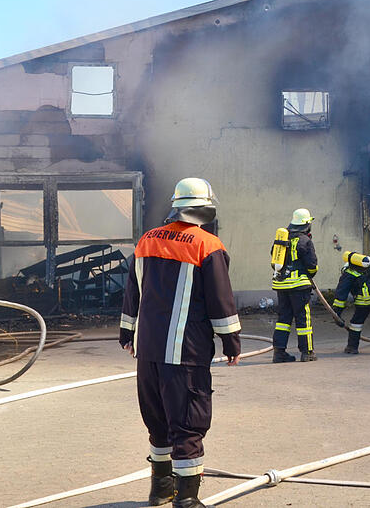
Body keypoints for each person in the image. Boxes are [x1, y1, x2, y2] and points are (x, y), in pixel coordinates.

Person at [120, 178, 241, 507]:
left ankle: (161, 489)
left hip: (147, 352)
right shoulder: (207, 245)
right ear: (206, 207)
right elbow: (220, 299)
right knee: (187, 423)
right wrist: (231, 341)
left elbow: (133, 292)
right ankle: (187, 500)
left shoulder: (146, 240)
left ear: (176, 205)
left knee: (157, 422)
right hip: (185, 353)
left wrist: (127, 333)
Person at [270, 208, 319, 363]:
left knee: (283, 319)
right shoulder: (305, 241)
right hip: (299, 287)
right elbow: (312, 266)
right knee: (303, 319)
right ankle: (307, 352)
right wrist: (310, 272)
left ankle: (279, 353)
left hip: (281, 285)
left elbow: (275, 261)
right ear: (306, 224)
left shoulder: (281, 239)